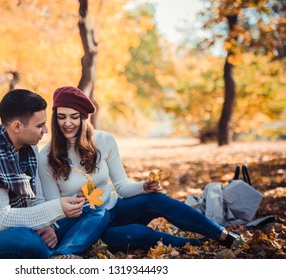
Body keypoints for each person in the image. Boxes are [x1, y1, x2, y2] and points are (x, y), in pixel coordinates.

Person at [38, 86, 245, 253]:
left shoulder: (104, 141)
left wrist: (144, 186)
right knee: (138, 234)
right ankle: (197, 245)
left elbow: (121, 186)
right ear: (54, 118)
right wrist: (76, 200)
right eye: (61, 117)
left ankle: (222, 235)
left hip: (114, 209)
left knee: (155, 199)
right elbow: (52, 209)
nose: (67, 123)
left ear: (84, 118)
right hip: (83, 224)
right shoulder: (47, 156)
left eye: (74, 117)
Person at [0, 89, 109, 259]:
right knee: (25, 239)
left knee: (97, 213)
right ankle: (52, 257)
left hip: (26, 225)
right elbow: (1, 221)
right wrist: (57, 209)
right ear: (17, 127)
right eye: (39, 125)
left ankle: (60, 255)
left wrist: (47, 226)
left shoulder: (29, 148)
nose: (45, 130)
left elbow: (35, 200)